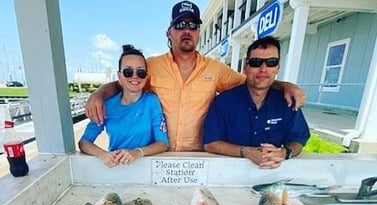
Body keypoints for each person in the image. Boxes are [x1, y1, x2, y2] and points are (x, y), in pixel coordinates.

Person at [85, 1, 306, 152]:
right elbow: (124, 82)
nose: (187, 30)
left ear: (199, 32)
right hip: (160, 153)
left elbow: (253, 80)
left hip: (199, 155)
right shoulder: (150, 66)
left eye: (193, 25)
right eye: (180, 25)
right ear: (169, 32)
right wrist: (98, 95)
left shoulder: (216, 69)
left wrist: (284, 85)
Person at [203, 36, 310, 169]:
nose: (263, 69)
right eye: (256, 62)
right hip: (229, 173)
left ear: (277, 68)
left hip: (273, 173)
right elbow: (210, 143)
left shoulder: (287, 101)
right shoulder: (223, 102)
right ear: (246, 68)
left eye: (271, 62)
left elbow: (298, 139)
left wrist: (285, 153)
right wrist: (246, 152)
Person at [78, 45, 169, 168]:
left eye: (140, 72)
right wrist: (103, 155)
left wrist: (137, 152)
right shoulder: (107, 106)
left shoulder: (152, 102)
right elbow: (84, 142)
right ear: (119, 76)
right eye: (128, 72)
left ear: (146, 77)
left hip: (145, 168)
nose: (134, 76)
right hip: (116, 168)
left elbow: (163, 143)